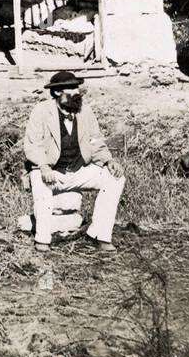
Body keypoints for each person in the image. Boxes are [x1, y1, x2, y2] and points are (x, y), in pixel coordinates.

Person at [23, 70, 125, 253]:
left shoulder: (85, 111)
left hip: (78, 171)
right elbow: (33, 146)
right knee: (38, 177)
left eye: (76, 88)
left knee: (115, 178)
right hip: (52, 171)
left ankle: (99, 235)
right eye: (70, 89)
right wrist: (44, 166)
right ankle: (43, 240)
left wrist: (109, 161)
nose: (76, 92)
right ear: (56, 92)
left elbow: (96, 141)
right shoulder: (41, 111)